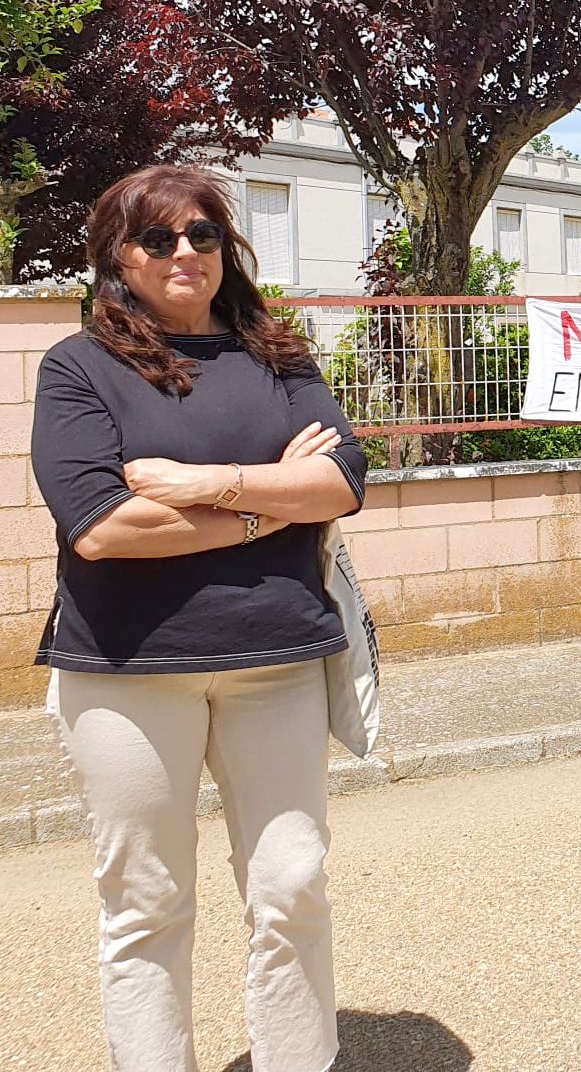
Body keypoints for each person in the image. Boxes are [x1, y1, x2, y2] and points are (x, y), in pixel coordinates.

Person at [31, 165, 368, 1072]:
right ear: (118, 256)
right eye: (159, 238)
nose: (186, 254)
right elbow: (100, 526)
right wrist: (269, 505)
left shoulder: (279, 357)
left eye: (204, 235)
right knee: (147, 900)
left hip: (278, 658)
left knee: (293, 884)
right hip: (127, 671)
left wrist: (202, 487)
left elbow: (341, 482)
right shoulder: (78, 368)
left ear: (229, 247)